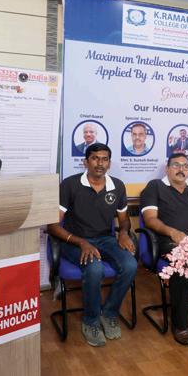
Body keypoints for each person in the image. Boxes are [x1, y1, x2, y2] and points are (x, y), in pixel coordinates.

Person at [47, 143, 137, 347]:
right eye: (95, 158)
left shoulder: (117, 186)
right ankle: (91, 320)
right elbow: (52, 226)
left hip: (105, 239)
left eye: (105, 159)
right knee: (95, 268)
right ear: (85, 162)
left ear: (109, 163)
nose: (100, 163)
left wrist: (123, 233)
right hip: (75, 240)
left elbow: (124, 220)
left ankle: (109, 313)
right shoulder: (70, 185)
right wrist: (82, 242)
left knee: (130, 265)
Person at [140, 153, 188, 346]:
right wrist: (172, 232)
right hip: (170, 241)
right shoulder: (155, 187)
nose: (181, 169)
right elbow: (150, 219)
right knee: (184, 266)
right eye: (176, 165)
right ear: (167, 168)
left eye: (185, 166)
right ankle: (181, 324)